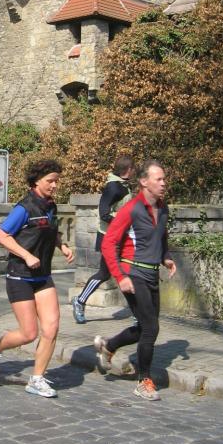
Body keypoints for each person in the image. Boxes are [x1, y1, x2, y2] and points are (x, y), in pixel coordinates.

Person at [0, 159, 75, 398]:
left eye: (57, 181)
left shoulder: (51, 206)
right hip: (20, 276)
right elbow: (2, 235)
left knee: (51, 327)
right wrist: (26, 255)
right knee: (28, 333)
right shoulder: (24, 208)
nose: (55, 185)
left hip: (42, 276)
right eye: (50, 181)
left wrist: (62, 245)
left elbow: (50, 230)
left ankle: (37, 379)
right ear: (36, 181)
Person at [95, 160, 176, 401]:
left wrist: (166, 257)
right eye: (158, 179)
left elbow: (161, 237)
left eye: (164, 179)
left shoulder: (163, 208)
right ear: (143, 182)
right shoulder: (131, 209)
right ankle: (144, 381)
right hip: (133, 274)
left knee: (144, 328)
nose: (163, 183)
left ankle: (109, 346)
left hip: (152, 274)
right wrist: (120, 277)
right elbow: (108, 243)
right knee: (151, 328)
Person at [72, 155, 134, 323]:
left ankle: (137, 313)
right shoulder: (113, 187)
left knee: (126, 272)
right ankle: (80, 301)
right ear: (128, 170)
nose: (134, 171)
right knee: (105, 274)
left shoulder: (124, 185)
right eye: (133, 168)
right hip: (109, 238)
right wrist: (123, 221)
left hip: (122, 237)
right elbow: (104, 213)